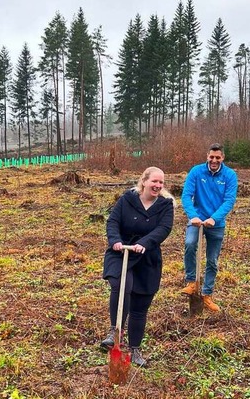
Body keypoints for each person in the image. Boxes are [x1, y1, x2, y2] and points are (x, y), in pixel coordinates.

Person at [100, 167, 175, 367]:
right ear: (144, 181)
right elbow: (113, 221)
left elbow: (164, 229)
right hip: (121, 253)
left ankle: (135, 349)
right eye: (154, 182)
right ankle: (114, 331)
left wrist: (145, 243)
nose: (158, 186)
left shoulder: (166, 205)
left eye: (161, 183)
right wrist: (115, 240)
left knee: (140, 306)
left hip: (147, 257)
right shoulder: (127, 199)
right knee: (122, 285)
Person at [181, 143, 238, 312]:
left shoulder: (230, 175)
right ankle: (191, 282)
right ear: (207, 156)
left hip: (216, 224)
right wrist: (193, 216)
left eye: (217, 157)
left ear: (222, 158)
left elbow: (229, 200)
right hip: (197, 219)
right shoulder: (196, 172)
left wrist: (214, 218)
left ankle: (207, 294)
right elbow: (186, 195)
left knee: (212, 261)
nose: (214, 160)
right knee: (190, 244)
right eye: (211, 157)